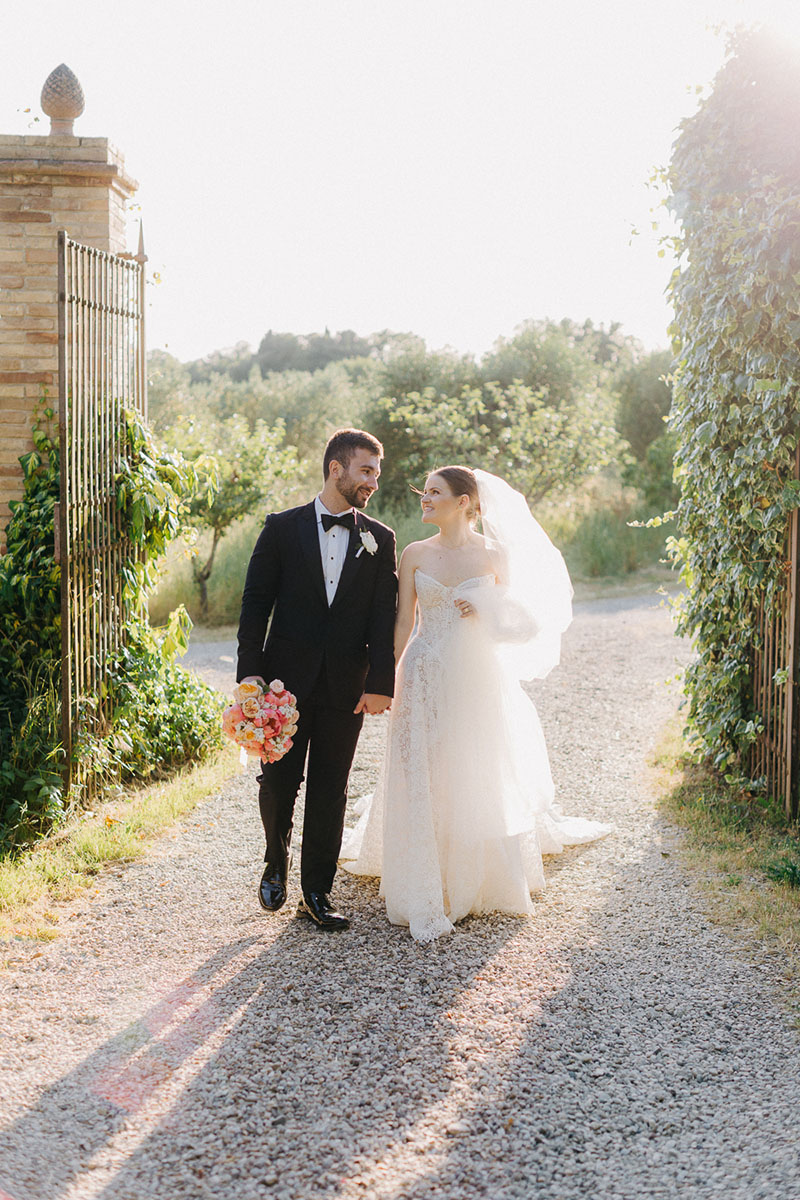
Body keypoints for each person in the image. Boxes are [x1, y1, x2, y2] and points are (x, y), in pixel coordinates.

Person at [340, 465, 611, 942]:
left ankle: (472, 877)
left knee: (471, 769)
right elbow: (404, 622)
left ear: (464, 501)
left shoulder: (495, 554)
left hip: (476, 678)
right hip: (424, 671)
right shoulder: (415, 553)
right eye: (424, 492)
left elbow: (521, 622)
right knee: (422, 765)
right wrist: (385, 678)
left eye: (435, 492)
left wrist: (484, 608)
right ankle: (424, 871)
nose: (424, 499)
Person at [236, 428, 397, 931]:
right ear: (336, 468)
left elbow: (381, 617)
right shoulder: (281, 529)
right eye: (366, 470)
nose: (373, 480)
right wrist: (251, 678)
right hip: (283, 684)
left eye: (376, 471)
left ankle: (316, 893)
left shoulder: (381, 538)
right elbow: (255, 604)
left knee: (332, 788)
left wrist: (380, 683)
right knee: (279, 780)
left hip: (346, 685)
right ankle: (275, 859)